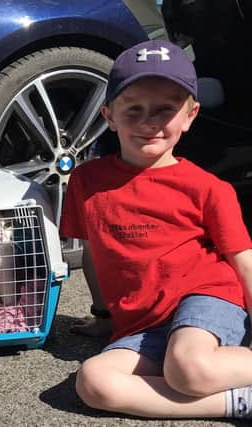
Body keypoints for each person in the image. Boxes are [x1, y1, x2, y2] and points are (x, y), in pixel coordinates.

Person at [60, 38, 252, 420]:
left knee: (187, 367)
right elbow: (96, 253)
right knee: (94, 382)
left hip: (204, 299)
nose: (149, 123)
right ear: (109, 115)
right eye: (134, 110)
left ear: (190, 115)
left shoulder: (209, 188)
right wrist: (104, 317)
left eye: (165, 110)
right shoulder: (86, 181)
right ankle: (238, 402)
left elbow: (242, 260)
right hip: (143, 324)